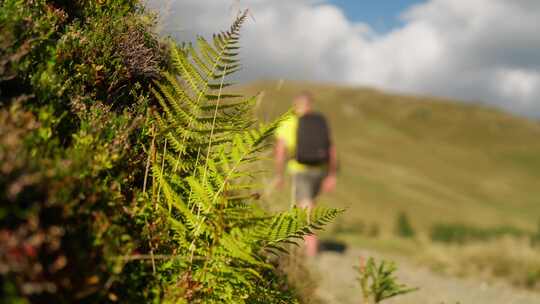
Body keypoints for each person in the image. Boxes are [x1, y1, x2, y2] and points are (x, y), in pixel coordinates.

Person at [274, 92, 337, 257]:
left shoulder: (288, 122)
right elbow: (331, 149)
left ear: (295, 105)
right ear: (310, 104)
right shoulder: (320, 121)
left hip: (299, 170)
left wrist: (279, 175)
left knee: (305, 210)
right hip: (320, 170)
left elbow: (280, 151)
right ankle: (309, 248)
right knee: (310, 206)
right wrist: (331, 175)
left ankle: (310, 254)